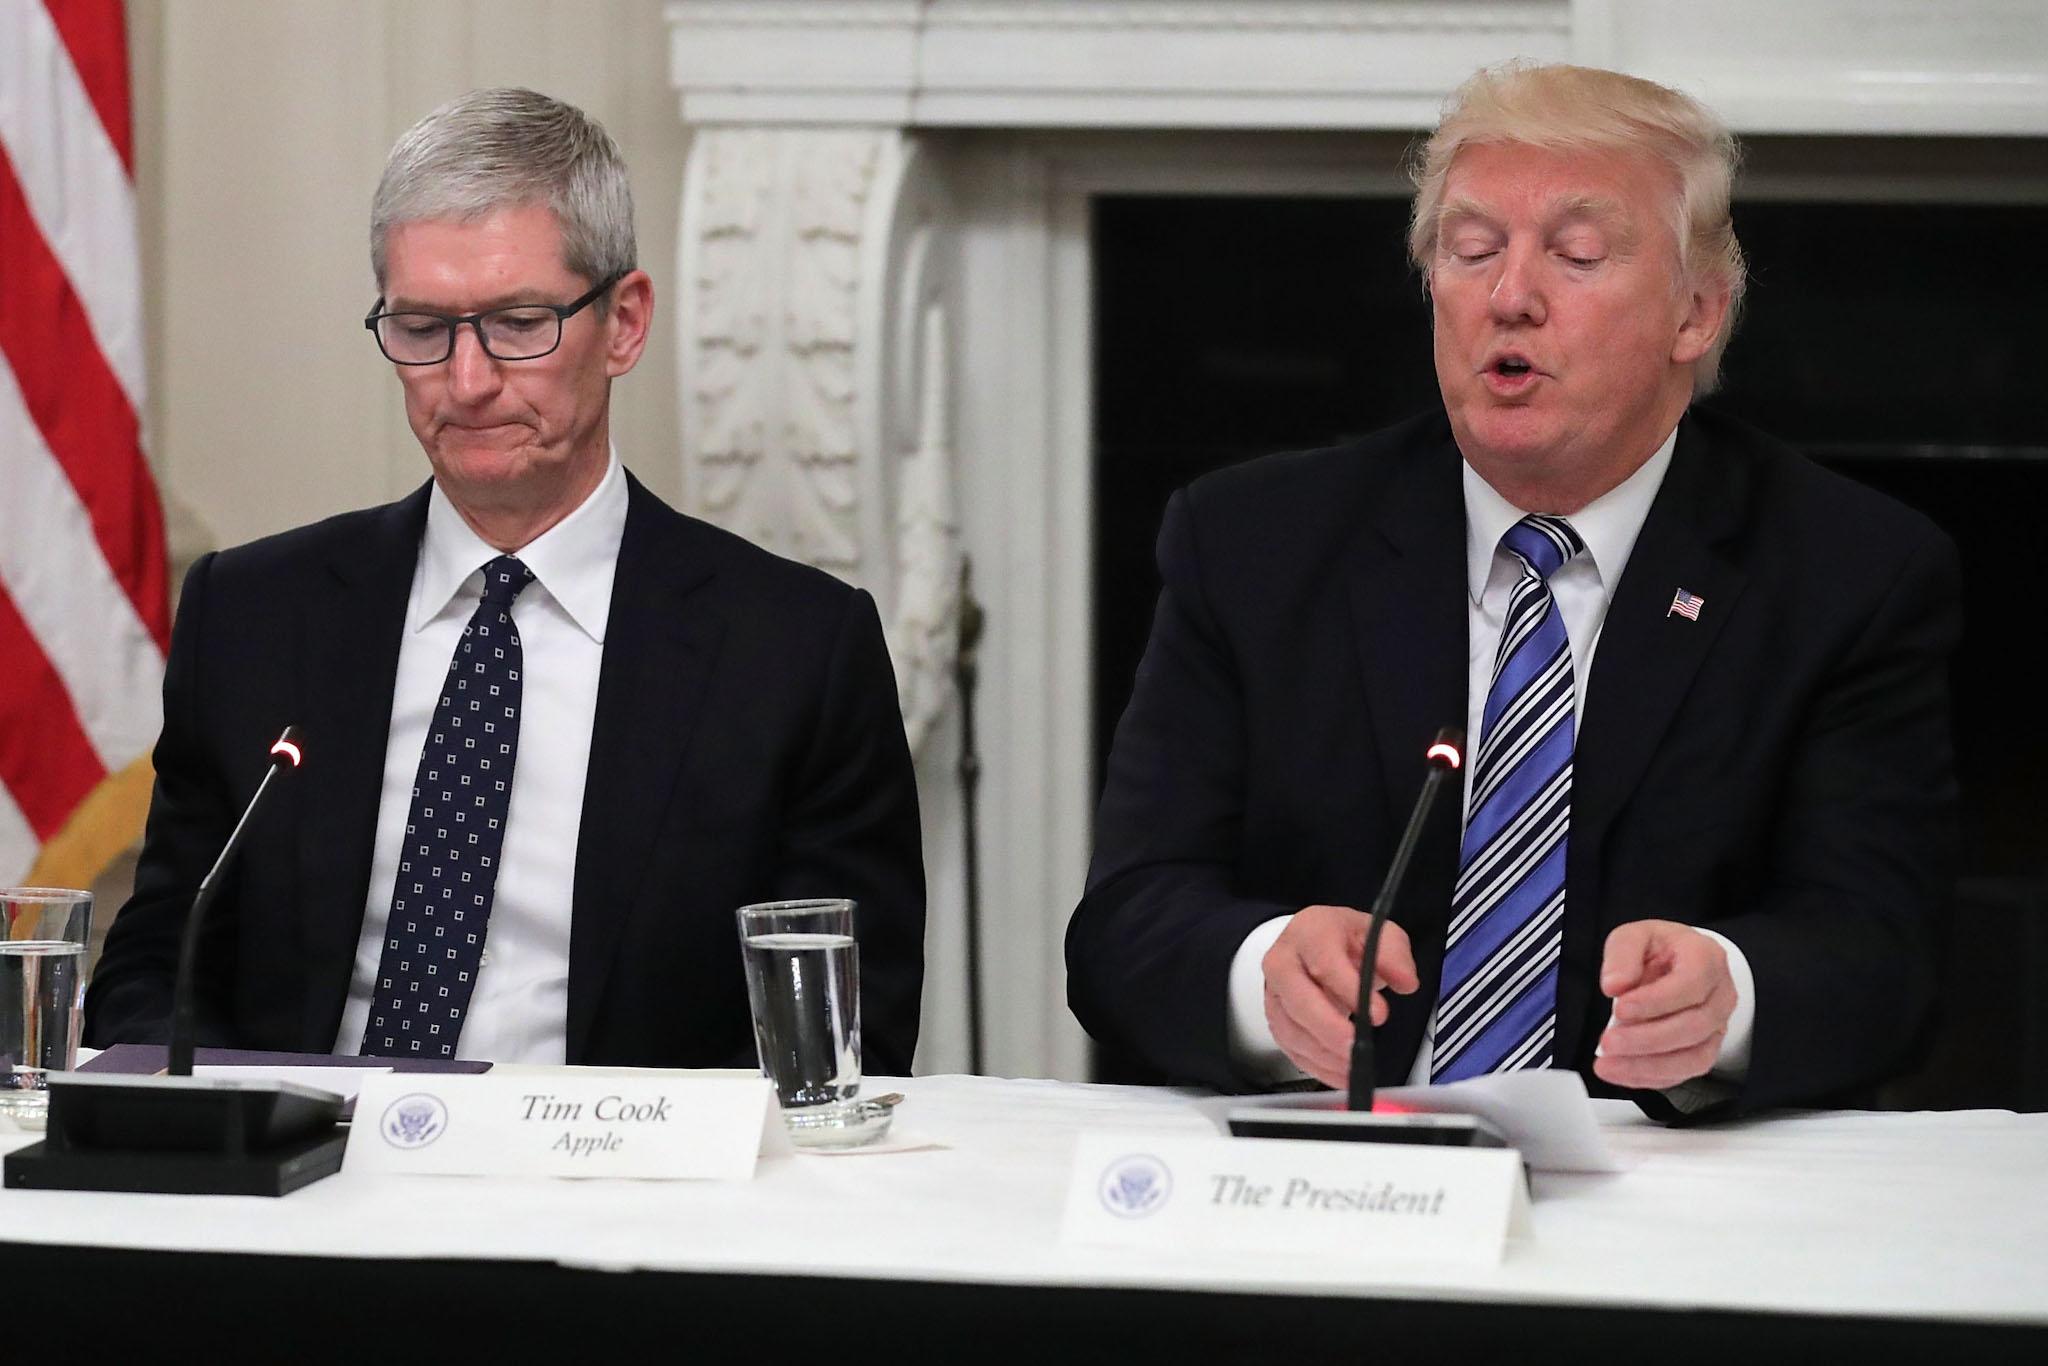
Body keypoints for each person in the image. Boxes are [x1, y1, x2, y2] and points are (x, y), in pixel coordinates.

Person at [1067, 63, 1959, 1120]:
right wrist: (1262, 973)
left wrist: (1731, 994)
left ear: (1695, 313)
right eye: (1471, 249)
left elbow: (1882, 953)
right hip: (1328, 1179)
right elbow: (1124, 923)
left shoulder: (1846, 571)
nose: (1509, 296)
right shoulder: (1250, 543)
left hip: (1660, 1190)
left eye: (1576, 255)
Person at [86, 88, 925, 1071]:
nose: (468, 378)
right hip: (307, 1184)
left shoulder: (793, 653)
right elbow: (154, 963)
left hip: (618, 1199)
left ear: (622, 323)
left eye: (518, 323)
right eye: (422, 328)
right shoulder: (255, 614)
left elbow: (835, 1033)